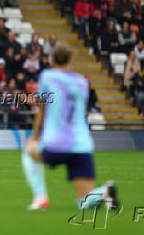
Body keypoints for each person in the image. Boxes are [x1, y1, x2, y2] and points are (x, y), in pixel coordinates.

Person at [22, 45, 119, 211]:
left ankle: (41, 198)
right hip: (82, 145)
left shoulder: (47, 76)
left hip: (56, 143)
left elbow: (42, 109)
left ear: (51, 60)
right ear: (71, 60)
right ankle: (104, 191)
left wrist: (35, 135)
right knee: (83, 202)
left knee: (29, 152)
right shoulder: (82, 82)